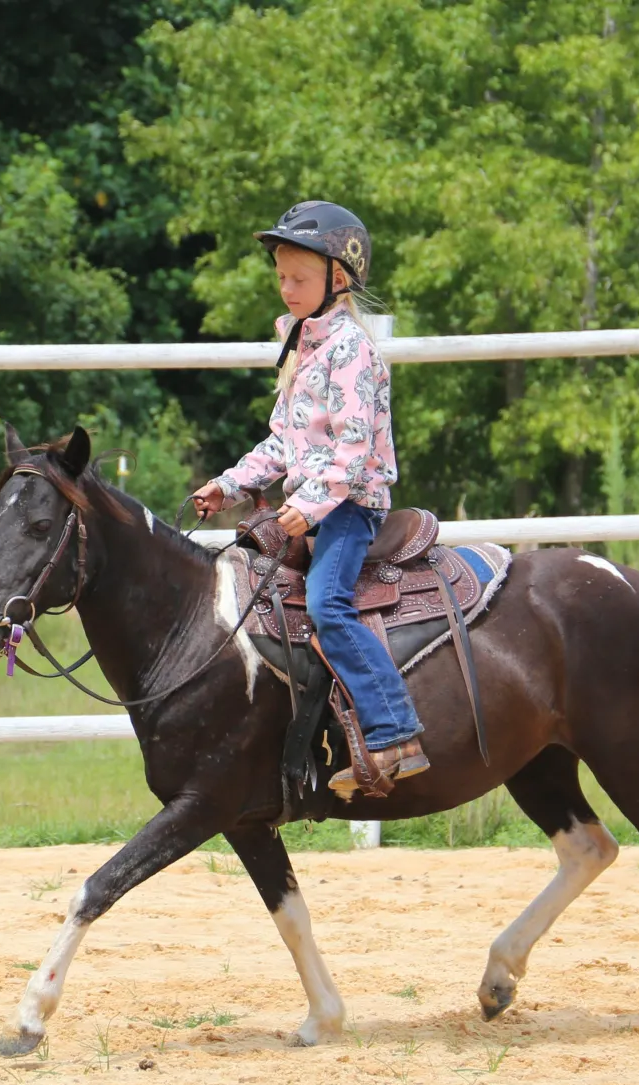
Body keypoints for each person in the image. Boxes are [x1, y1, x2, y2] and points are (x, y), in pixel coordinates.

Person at [191, 200, 428, 791]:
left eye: (298, 278)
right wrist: (229, 484)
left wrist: (311, 504)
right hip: (317, 502)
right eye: (281, 277)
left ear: (338, 279)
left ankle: (396, 731)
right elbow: (283, 443)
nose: (286, 288)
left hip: (349, 508)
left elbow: (350, 452)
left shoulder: (352, 352)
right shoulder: (303, 347)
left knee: (327, 605)